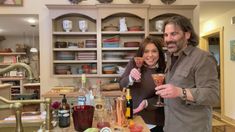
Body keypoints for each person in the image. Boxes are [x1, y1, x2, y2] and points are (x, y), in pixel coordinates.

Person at [155, 15, 219, 132]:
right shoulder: (171, 57)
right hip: (170, 127)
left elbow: (213, 95)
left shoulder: (203, 58)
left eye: (174, 34)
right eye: (166, 35)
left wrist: (180, 91)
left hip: (192, 128)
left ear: (187, 35)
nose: (168, 39)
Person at [120, 36, 166, 132]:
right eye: (146, 51)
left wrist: (146, 103)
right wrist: (130, 78)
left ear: (159, 53)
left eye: (154, 51)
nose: (150, 55)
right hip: (132, 118)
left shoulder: (164, 68)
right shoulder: (134, 63)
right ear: (141, 53)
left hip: (154, 121)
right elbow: (122, 85)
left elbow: (165, 97)